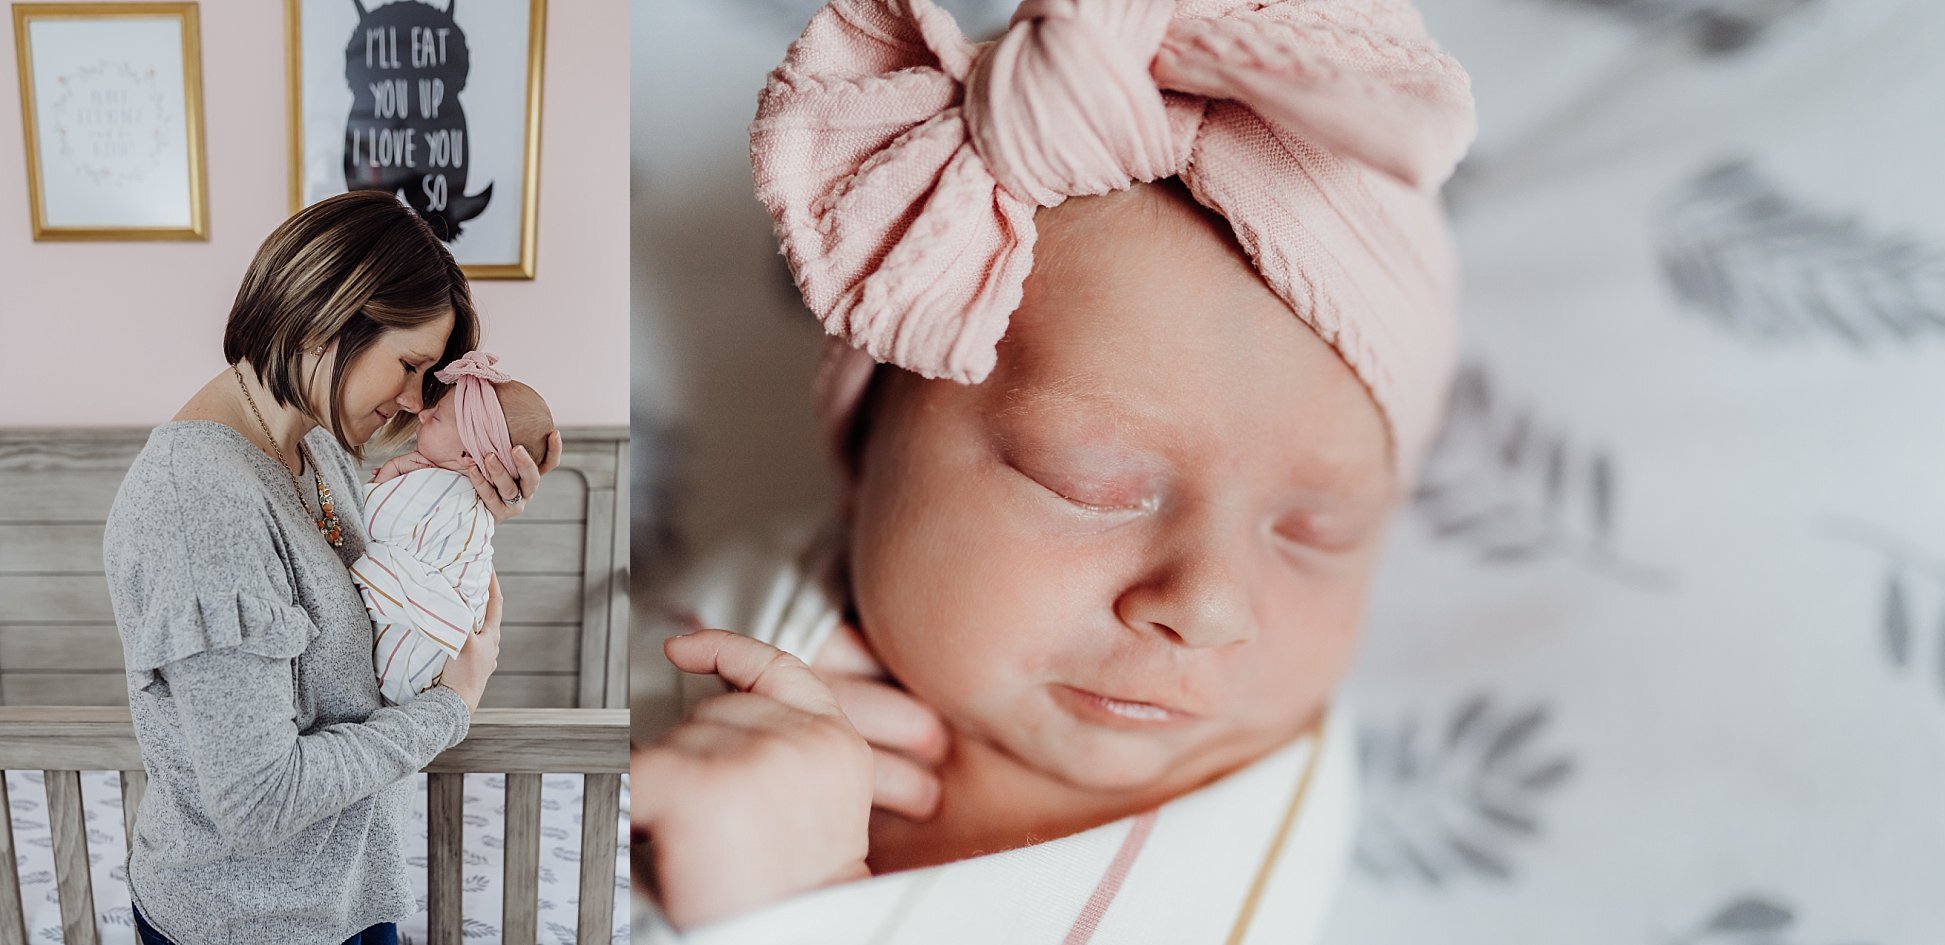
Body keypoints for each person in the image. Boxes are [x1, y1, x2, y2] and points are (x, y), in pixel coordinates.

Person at [629, 0, 1476, 940]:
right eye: (1090, 483)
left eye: (1316, 533)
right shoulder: (705, 637)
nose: (1207, 604)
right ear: (868, 452)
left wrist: (781, 907)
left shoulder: (1236, 858)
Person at [104, 189, 561, 944]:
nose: (416, 401)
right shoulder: (199, 503)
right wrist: (453, 706)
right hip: (251, 924)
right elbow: (260, 801)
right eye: (411, 365)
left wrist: (467, 517)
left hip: (345, 897)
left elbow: (379, 618)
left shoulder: (316, 450)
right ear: (325, 318)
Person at [353, 350, 558, 703]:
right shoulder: (458, 492)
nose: (423, 412)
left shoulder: (440, 486)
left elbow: (361, 523)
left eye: (438, 418)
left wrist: (384, 480)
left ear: (466, 456)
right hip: (442, 661)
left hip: (416, 649)